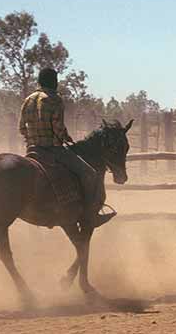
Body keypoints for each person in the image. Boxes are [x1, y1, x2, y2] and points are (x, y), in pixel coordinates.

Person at [19, 67, 115, 229]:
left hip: (33, 150)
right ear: (53, 81)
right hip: (53, 150)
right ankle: (91, 215)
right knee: (89, 174)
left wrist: (32, 140)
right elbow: (57, 127)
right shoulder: (54, 99)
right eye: (56, 80)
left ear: (40, 81)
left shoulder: (28, 100)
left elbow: (22, 128)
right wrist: (65, 137)